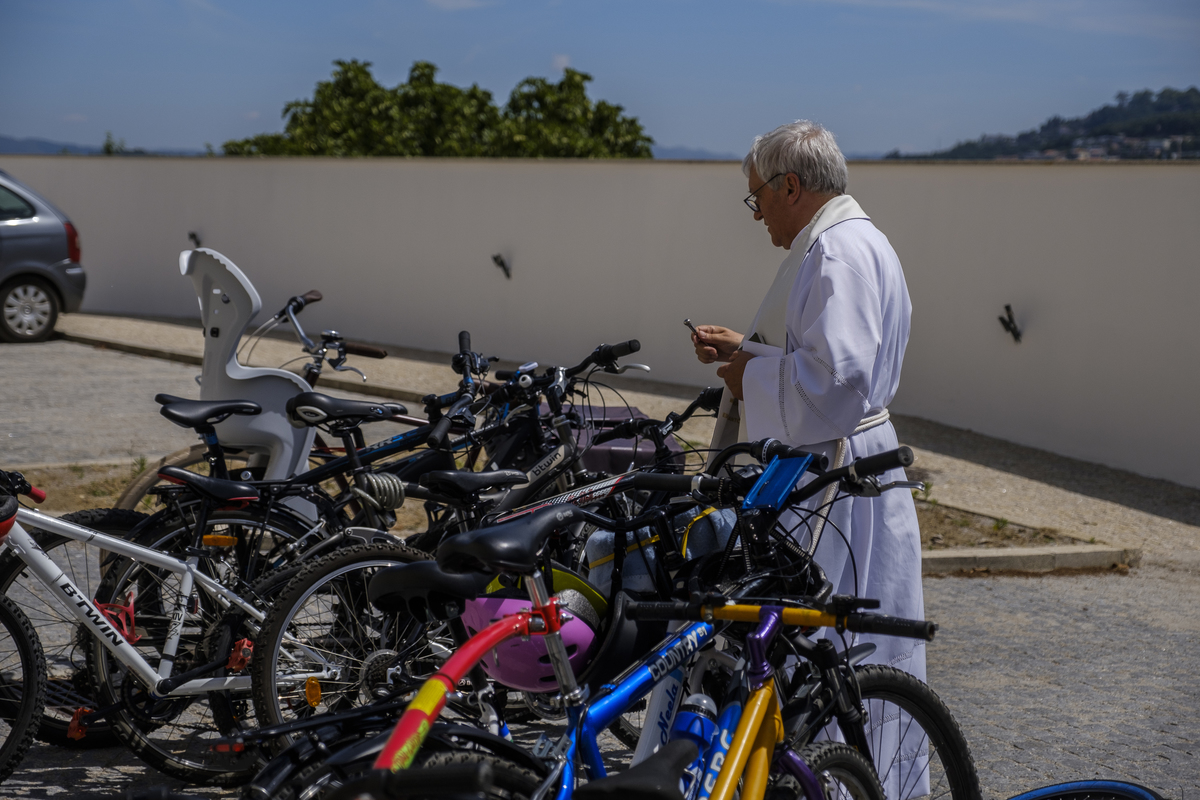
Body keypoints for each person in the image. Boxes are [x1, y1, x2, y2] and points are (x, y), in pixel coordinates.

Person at [692, 120, 926, 686]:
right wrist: (746, 349)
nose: (756, 214)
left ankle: (827, 769)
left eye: (758, 196)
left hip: (835, 472)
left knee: (826, 641)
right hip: (851, 459)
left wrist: (750, 375)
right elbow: (822, 358)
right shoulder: (856, 238)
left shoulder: (833, 251)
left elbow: (839, 386)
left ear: (790, 187)